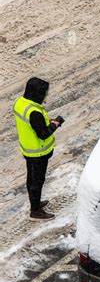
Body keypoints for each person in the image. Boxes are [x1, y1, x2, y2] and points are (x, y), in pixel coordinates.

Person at [13, 78, 63, 220]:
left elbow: (30, 124)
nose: (45, 95)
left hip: (28, 149)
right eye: (44, 93)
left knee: (31, 178)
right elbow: (43, 134)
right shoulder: (34, 112)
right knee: (37, 181)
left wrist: (47, 121)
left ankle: (35, 203)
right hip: (38, 152)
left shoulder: (20, 103)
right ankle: (35, 211)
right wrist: (55, 124)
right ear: (38, 94)